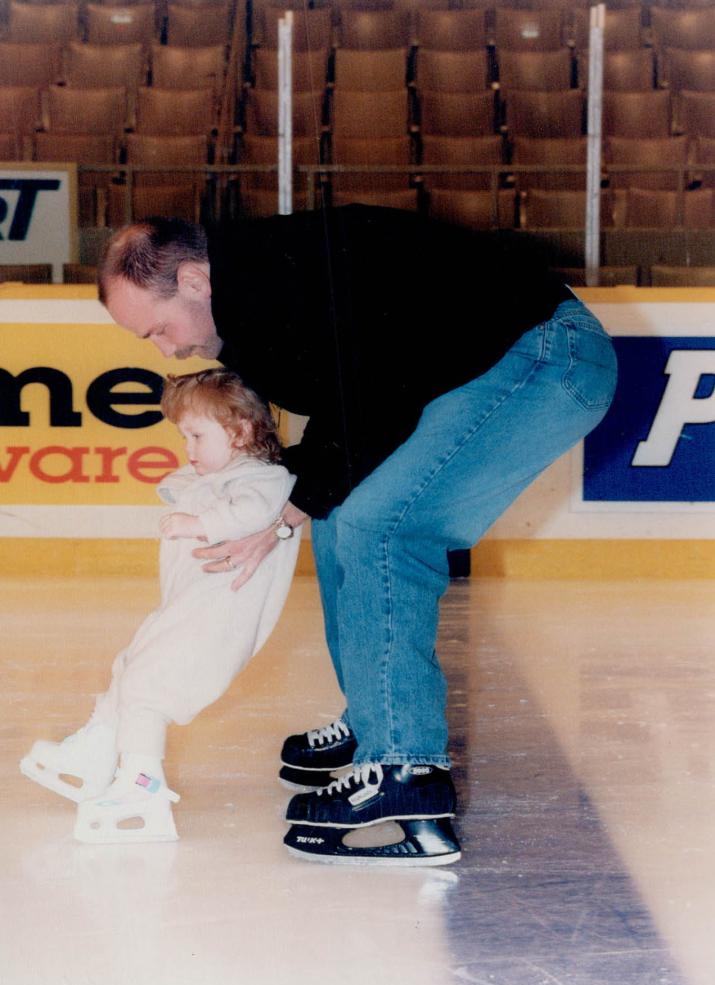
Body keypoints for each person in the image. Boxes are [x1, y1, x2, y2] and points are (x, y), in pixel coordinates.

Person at [95, 207, 618, 864]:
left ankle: (405, 769)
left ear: (196, 279)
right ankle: (376, 718)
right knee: (339, 512)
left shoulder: (277, 279)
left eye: (159, 329)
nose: (166, 350)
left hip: (542, 354)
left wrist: (287, 506)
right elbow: (345, 414)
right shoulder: (255, 300)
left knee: (383, 528)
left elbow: (376, 397)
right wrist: (283, 500)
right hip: (471, 364)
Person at [20, 369, 300, 843]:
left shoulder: (263, 478)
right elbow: (187, 486)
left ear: (241, 431)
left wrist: (199, 522)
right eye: (182, 435)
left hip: (217, 623)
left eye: (196, 435)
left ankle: (142, 784)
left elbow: (252, 511)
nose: (187, 448)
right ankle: (95, 751)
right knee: (128, 670)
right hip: (184, 612)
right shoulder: (219, 476)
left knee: (150, 690)